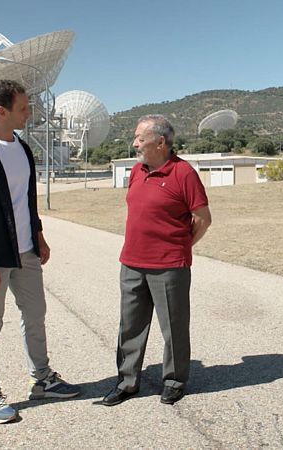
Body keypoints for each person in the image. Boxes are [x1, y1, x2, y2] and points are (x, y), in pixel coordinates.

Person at [0, 79, 80, 424]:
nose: (30, 113)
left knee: (35, 315)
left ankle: (42, 379)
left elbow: (27, 199)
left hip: (26, 251)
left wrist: (39, 236)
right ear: (1, 111)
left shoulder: (22, 148)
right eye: (24, 108)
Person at [101, 115, 212, 407]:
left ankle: (174, 381)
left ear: (160, 142)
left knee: (173, 328)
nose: (135, 143)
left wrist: (180, 246)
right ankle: (126, 382)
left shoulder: (184, 173)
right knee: (130, 327)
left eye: (140, 138)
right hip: (132, 263)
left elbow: (202, 218)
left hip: (169, 266)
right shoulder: (137, 171)